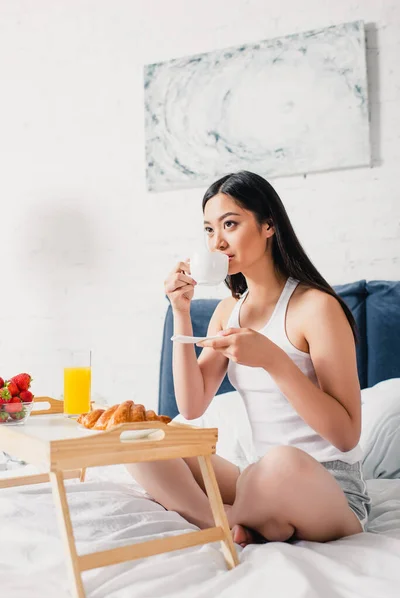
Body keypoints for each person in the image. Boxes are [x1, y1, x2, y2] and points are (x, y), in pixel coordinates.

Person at [127, 170, 371, 547]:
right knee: (143, 439)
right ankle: (220, 521)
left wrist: (275, 361)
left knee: (279, 463)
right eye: (209, 230)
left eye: (230, 224)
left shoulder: (316, 308)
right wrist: (180, 310)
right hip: (258, 479)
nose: (217, 241)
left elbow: (345, 435)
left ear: (268, 225)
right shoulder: (229, 311)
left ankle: (243, 518)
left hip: (329, 488)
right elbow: (191, 407)